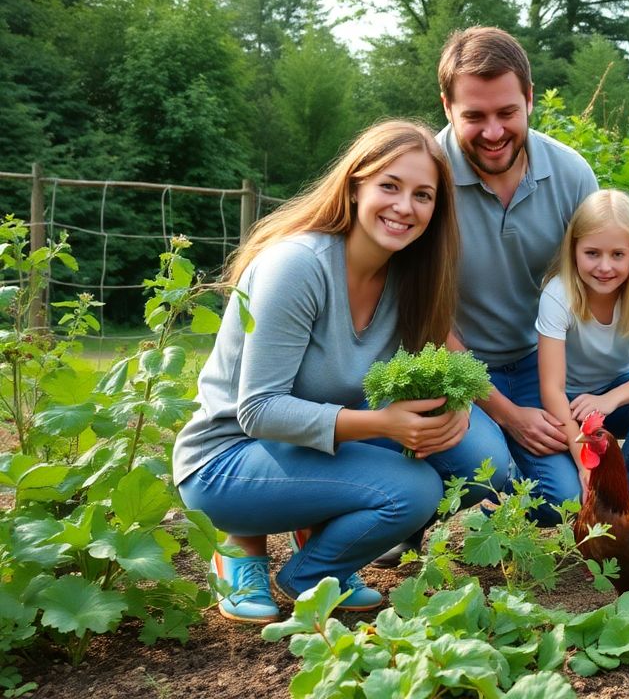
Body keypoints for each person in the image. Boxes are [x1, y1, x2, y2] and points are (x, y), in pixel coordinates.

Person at [172, 120, 510, 623]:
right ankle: (247, 551)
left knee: (482, 459)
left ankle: (319, 555)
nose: (404, 207)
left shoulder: (408, 275)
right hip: (228, 461)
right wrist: (385, 424)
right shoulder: (298, 265)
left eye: (423, 195)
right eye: (389, 186)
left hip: (309, 446)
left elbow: (438, 354)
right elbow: (258, 410)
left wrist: (456, 403)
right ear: (355, 186)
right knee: (413, 490)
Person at [404, 26, 629, 546]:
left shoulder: (571, 174)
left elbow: (608, 264)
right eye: (474, 116)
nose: (492, 131)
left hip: (538, 365)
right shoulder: (427, 178)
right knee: (480, 460)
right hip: (458, 370)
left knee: (564, 502)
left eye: (507, 112)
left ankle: (610, 513)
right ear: (447, 106)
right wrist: (509, 416)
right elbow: (422, 312)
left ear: (530, 99)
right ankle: (410, 515)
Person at [536, 190, 629, 500]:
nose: (605, 266)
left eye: (617, 255)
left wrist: (610, 399)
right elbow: (551, 390)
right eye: (592, 253)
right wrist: (584, 462)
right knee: (564, 494)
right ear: (574, 250)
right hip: (569, 404)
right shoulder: (558, 295)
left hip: (621, 393)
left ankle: (617, 500)